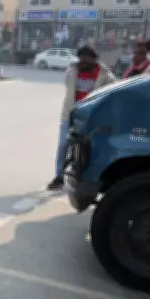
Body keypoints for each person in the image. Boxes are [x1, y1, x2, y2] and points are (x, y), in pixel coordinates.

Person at [47, 45, 116, 190]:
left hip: (92, 118)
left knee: (90, 149)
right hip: (71, 115)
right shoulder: (72, 71)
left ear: (94, 59)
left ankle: (88, 178)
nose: (83, 60)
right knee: (63, 146)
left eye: (87, 57)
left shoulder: (105, 75)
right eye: (81, 57)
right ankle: (59, 176)